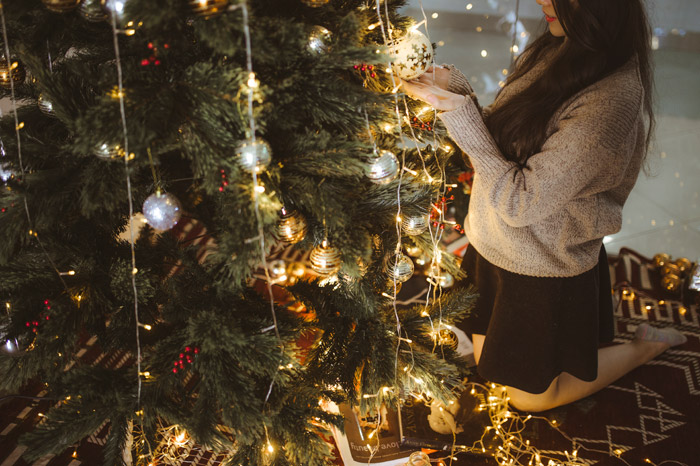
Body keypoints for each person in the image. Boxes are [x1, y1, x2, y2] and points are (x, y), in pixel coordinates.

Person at [402, 0, 687, 412]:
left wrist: (459, 115)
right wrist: (455, 90)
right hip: (491, 244)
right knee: (489, 364)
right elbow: (501, 137)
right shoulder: (560, 47)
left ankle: (644, 348)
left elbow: (519, 201)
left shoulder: (610, 105)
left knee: (530, 400)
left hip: (540, 266)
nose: (541, 0)